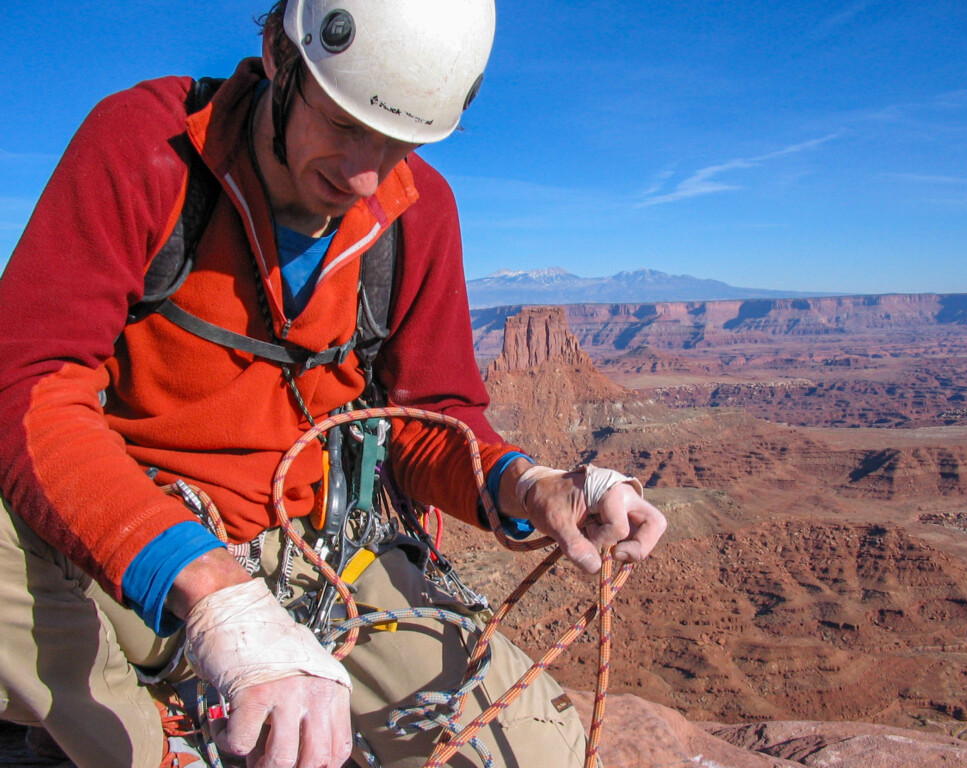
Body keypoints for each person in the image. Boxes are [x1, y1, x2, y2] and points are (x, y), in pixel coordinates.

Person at [0, 1, 667, 767]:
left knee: (544, 755)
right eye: (345, 123)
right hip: (125, 542)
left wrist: (533, 484)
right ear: (280, 55)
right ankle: (153, 747)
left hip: (309, 560)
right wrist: (213, 592)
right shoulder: (145, 149)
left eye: (398, 144)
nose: (363, 173)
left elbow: (429, 418)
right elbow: (31, 387)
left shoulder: (416, 216)